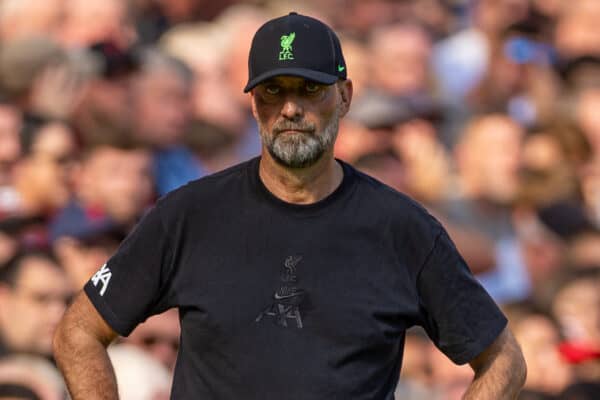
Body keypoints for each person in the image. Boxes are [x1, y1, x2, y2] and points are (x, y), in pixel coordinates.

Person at [53, 12, 527, 399]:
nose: (291, 108)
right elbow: (77, 334)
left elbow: (503, 359)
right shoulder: (188, 216)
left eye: (309, 89)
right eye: (273, 91)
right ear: (253, 103)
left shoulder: (401, 228)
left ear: (344, 97)